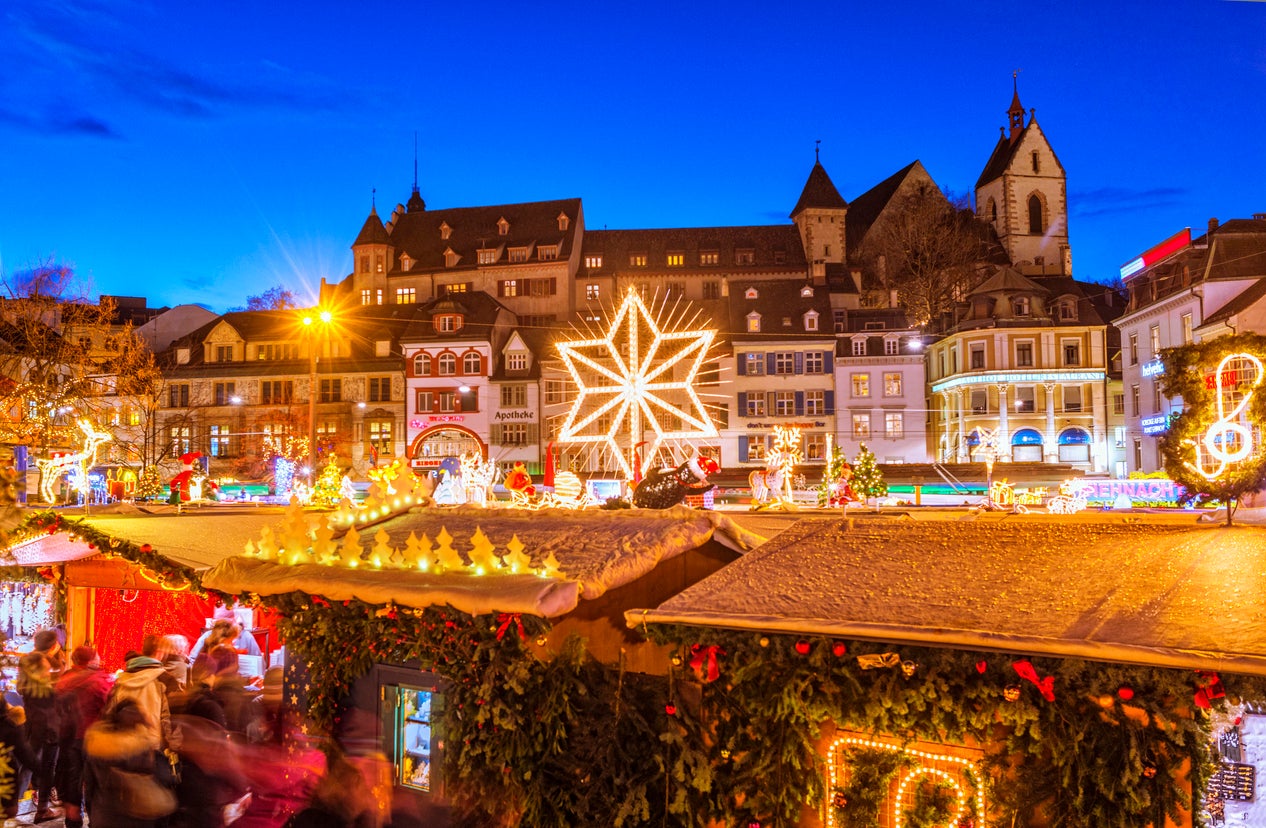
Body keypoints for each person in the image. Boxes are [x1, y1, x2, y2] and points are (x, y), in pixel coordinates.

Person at [84, 699, 176, 827]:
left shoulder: (97, 746)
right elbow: (165, 782)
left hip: (105, 817)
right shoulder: (148, 751)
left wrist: (93, 817)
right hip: (140, 818)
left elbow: (89, 788)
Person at [55, 645, 114, 828]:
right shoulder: (100, 680)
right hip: (91, 737)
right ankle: (94, 819)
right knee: (93, 779)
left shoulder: (64, 679)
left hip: (67, 737)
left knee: (72, 778)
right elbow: (110, 704)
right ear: (91, 661)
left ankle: (73, 819)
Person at [17, 628, 64, 822]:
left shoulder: (25, 660)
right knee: (48, 765)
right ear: (53, 646)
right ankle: (43, 809)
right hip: (51, 722)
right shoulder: (54, 665)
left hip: (31, 718)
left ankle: (10, 805)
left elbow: (20, 688)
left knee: (27, 764)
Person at [105, 653, 179, 752]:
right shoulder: (158, 685)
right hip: (152, 741)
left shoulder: (120, 684)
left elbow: (110, 714)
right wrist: (169, 743)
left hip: (124, 741)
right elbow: (165, 718)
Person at [1, 697, 38, 824]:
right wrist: (43, 773)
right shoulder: (10, 726)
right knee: (8, 810)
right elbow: (25, 755)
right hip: (5, 777)